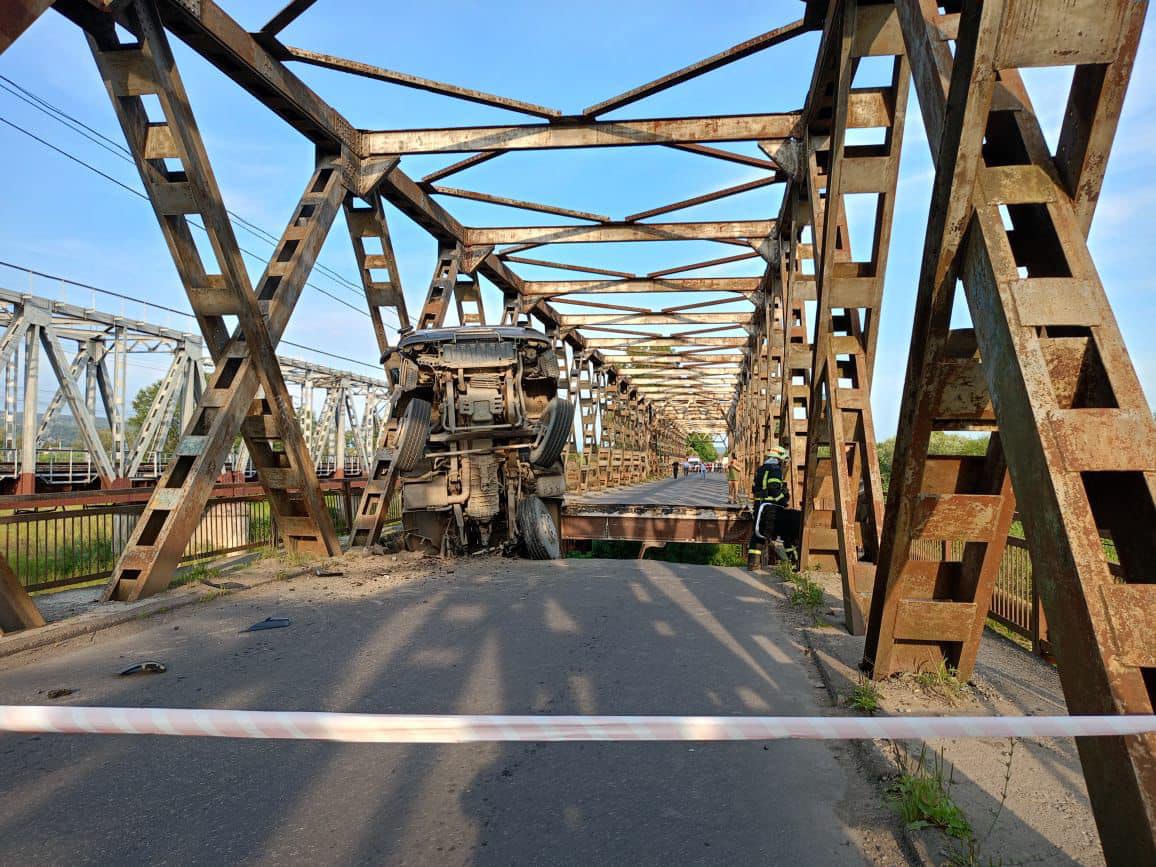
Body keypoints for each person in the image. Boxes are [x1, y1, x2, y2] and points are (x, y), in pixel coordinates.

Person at [747, 447, 790, 570]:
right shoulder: (775, 469)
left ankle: (753, 564)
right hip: (770, 507)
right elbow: (773, 488)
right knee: (781, 533)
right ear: (779, 459)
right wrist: (784, 498)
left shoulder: (761, 469)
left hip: (759, 505)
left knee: (757, 534)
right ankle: (790, 563)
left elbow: (755, 488)